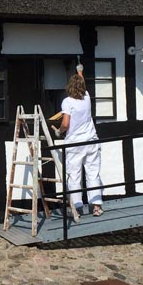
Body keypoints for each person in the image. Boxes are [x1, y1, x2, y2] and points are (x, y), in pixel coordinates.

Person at [59, 69, 104, 218]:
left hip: (75, 143)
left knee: (74, 175)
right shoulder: (87, 98)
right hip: (91, 140)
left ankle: (77, 208)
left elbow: (65, 124)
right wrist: (80, 71)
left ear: (69, 86)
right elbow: (82, 82)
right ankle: (96, 207)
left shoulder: (67, 102)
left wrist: (59, 131)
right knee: (93, 173)